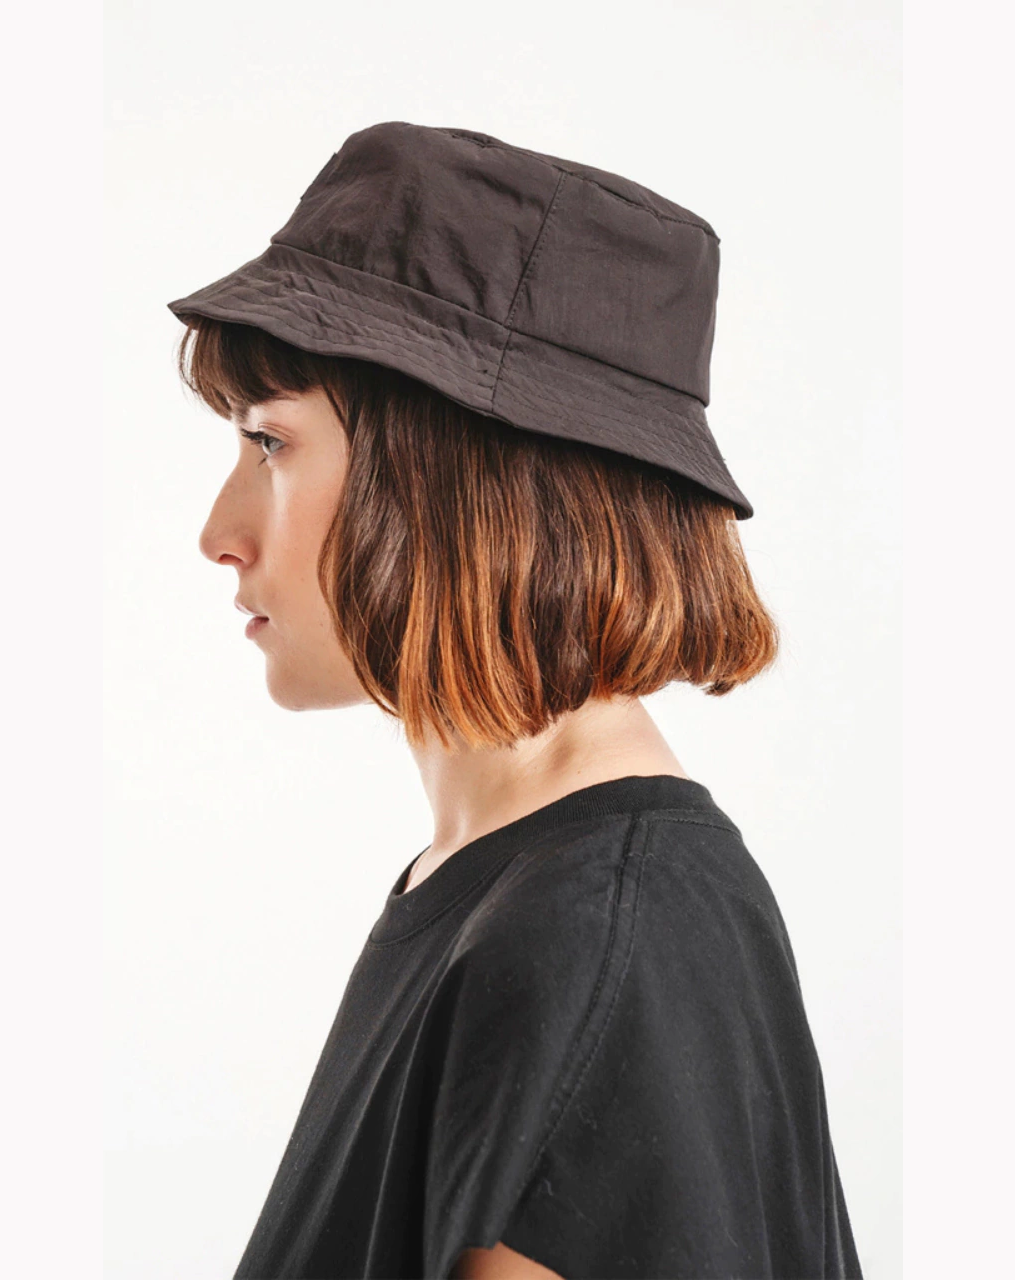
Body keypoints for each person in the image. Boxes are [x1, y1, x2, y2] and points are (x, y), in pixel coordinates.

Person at [170, 121, 863, 1279]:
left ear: (453, 476)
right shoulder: (502, 886)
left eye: (269, 442)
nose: (218, 533)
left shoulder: (596, 930)